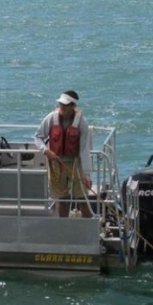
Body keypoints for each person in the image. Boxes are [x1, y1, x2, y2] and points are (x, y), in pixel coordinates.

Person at [34, 90, 93, 218]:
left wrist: (86, 174)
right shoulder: (51, 118)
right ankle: (64, 226)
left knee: (82, 197)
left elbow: (84, 149)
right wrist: (46, 151)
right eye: (60, 104)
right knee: (62, 198)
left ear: (73, 107)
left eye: (65, 105)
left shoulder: (82, 123)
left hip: (75, 163)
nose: (61, 107)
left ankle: (87, 227)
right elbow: (38, 137)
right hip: (57, 163)